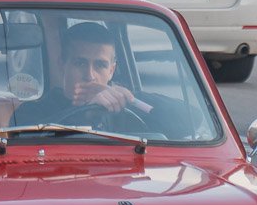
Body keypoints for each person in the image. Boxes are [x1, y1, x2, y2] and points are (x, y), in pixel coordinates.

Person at [12, 21, 181, 133]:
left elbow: (189, 120)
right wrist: (84, 114)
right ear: (62, 65)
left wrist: (131, 98)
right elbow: (25, 140)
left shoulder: (124, 103)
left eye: (100, 65)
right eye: (80, 63)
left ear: (111, 71)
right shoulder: (33, 112)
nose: (90, 76)